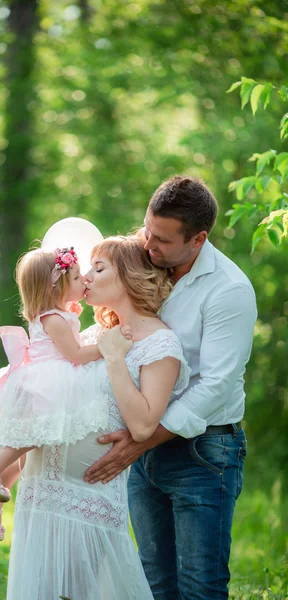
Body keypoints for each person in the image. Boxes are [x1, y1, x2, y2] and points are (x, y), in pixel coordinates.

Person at [84, 175, 257, 600]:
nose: (148, 244)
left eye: (161, 239)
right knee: (153, 584)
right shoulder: (147, 266)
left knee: (200, 586)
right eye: (147, 230)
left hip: (203, 452)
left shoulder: (228, 290)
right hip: (142, 449)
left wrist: (140, 441)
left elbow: (215, 385)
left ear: (198, 240)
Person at [0, 234, 190, 599]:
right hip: (43, 488)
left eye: (98, 268)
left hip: (88, 499)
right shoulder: (95, 332)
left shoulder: (161, 344)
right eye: (85, 270)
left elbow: (144, 426)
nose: (87, 278)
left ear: (128, 276)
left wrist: (114, 357)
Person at [0, 246, 107, 540]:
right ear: (55, 286)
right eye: (75, 276)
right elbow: (76, 355)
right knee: (28, 437)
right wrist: (106, 347)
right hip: (47, 382)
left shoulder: (56, 315)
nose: (84, 279)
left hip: (41, 378)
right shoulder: (54, 319)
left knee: (26, 450)